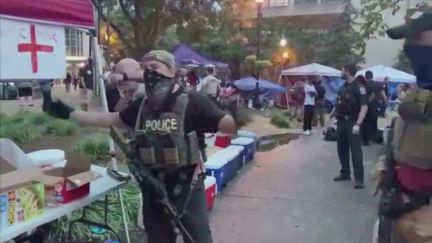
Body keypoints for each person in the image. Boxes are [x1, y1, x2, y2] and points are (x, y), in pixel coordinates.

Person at [44, 50, 239, 243]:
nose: (150, 73)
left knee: (198, 237)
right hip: (152, 185)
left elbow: (226, 125)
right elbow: (110, 118)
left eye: (155, 67)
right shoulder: (141, 106)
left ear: (172, 71)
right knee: (158, 238)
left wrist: (236, 116)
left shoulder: (192, 101)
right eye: (145, 69)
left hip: (186, 185)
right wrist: (69, 113)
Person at [329, 64, 368, 189]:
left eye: (342, 70)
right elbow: (338, 102)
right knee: (342, 149)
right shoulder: (343, 87)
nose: (341, 72)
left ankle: (359, 179)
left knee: (355, 151)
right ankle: (345, 172)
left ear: (348, 71)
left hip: (353, 121)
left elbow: (364, 106)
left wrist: (358, 123)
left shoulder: (359, 87)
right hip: (341, 121)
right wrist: (331, 115)